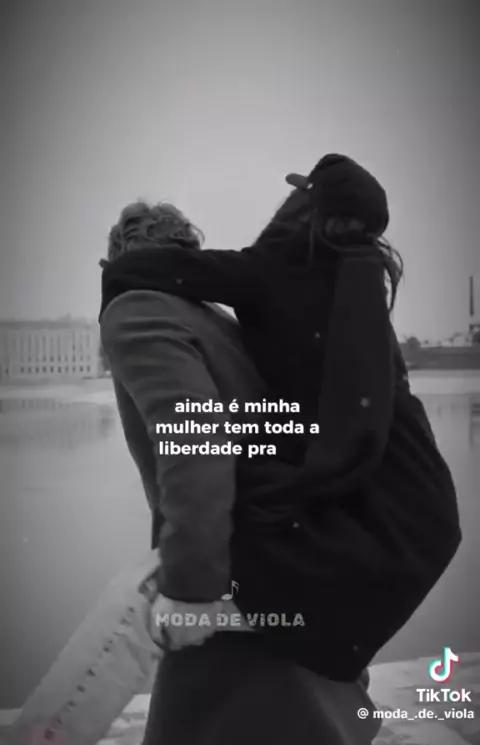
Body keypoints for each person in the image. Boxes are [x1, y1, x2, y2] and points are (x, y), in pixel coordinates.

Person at [99, 155, 461, 683]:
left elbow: (198, 446)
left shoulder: (159, 306)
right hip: (386, 494)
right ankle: (331, 653)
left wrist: (191, 588)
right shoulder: (342, 279)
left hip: (249, 585)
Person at [99, 198, 383, 745]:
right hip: (285, 563)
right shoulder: (212, 315)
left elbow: (197, 445)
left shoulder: (136, 311)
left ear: (117, 259)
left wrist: (191, 590)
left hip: (227, 581)